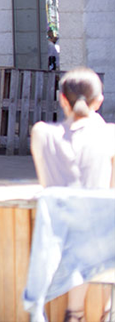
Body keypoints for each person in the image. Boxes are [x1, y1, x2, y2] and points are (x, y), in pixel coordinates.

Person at [30, 69, 115, 322]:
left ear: (62, 100)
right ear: (99, 102)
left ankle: (75, 313)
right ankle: (105, 311)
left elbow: (47, 185)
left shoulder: (41, 133)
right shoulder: (110, 134)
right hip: (100, 246)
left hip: (53, 244)